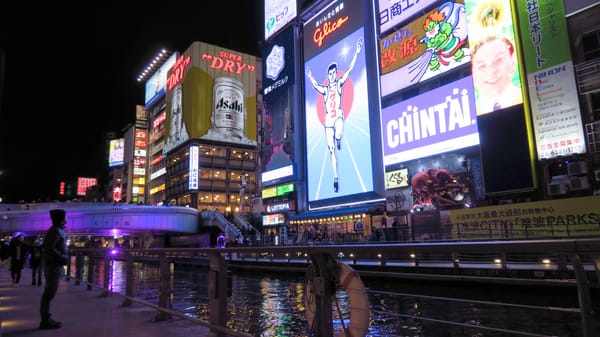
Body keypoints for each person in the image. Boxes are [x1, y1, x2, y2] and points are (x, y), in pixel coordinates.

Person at [306, 37, 363, 193]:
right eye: (330, 74)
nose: (332, 76)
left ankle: (339, 139)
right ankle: (336, 177)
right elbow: (316, 86)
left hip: (338, 115)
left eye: (333, 73)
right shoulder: (325, 89)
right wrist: (310, 76)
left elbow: (350, 69)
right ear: (327, 75)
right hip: (328, 120)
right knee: (331, 150)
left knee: (339, 134)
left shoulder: (339, 84)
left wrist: (357, 52)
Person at [471, 35, 523, 115]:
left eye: (499, 60)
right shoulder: (470, 115)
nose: (491, 71)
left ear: (513, 62)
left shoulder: (529, 98)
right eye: (482, 66)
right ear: (473, 75)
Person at [39, 209, 69, 330]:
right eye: (65, 217)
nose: (66, 219)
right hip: (53, 266)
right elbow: (48, 247)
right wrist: (63, 257)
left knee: (49, 294)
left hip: (55, 265)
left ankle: (47, 318)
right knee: (48, 294)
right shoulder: (55, 231)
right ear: (61, 218)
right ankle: (45, 321)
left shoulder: (58, 230)